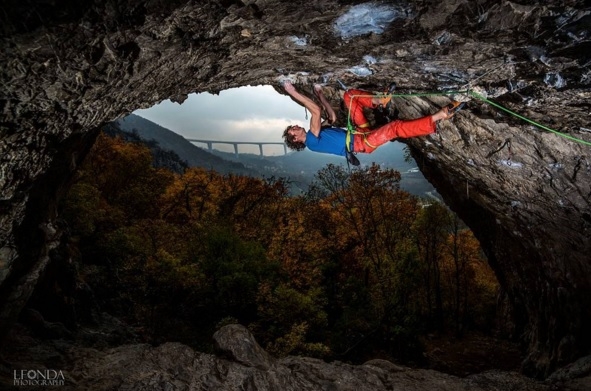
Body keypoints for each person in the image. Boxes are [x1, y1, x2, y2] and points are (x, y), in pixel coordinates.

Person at [281, 80, 463, 165]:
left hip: (360, 132)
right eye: (293, 131)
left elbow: (332, 117)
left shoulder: (315, 136)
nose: (295, 127)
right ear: (296, 139)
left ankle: (380, 101)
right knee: (395, 128)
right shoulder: (311, 141)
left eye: (292, 127)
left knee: (349, 96)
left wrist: (320, 94)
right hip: (363, 143)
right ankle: (440, 116)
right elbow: (316, 110)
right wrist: (292, 91)